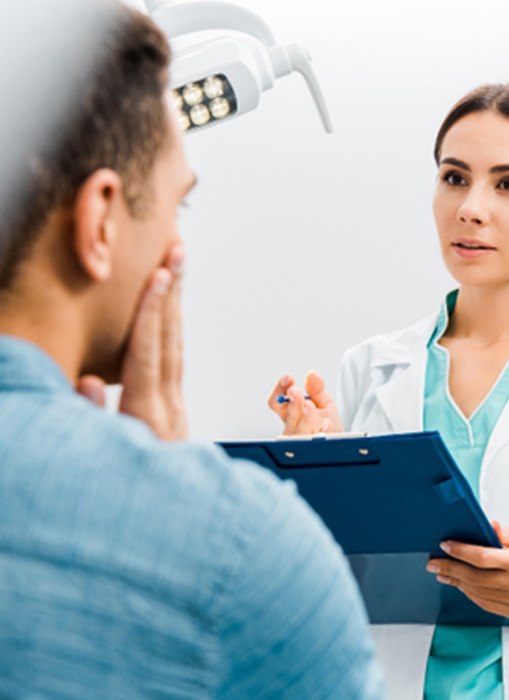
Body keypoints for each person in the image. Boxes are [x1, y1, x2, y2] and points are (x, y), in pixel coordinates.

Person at [0, 3, 385, 698]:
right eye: (179, 207)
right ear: (100, 221)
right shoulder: (244, 552)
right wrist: (170, 493)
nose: (178, 250)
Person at [269, 81, 509, 699]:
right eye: (454, 178)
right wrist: (317, 469)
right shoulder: (372, 367)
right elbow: (335, 585)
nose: (471, 208)